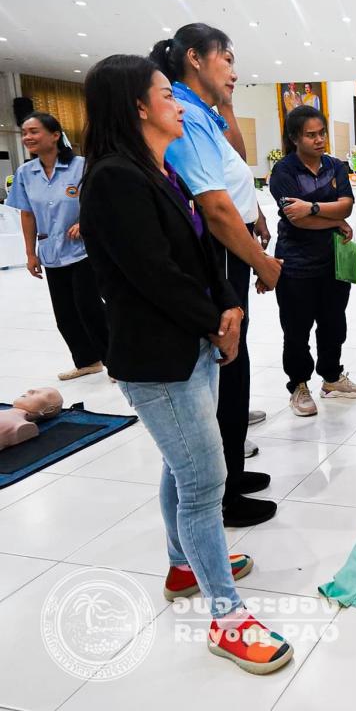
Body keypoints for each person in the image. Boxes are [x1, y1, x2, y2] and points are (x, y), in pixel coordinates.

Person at [78, 54, 292, 675]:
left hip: (190, 341)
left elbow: (200, 253)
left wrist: (228, 304)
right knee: (204, 481)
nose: (177, 103)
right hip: (157, 356)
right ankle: (228, 620)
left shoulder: (158, 167)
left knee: (186, 465)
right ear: (138, 106)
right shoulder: (113, 179)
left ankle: (183, 566)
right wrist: (214, 320)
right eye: (166, 94)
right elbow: (153, 275)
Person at [149, 23, 279, 527]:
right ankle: (221, 493)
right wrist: (262, 262)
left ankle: (232, 472)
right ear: (195, 58)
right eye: (226, 58)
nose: (234, 70)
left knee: (235, 362)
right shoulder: (184, 113)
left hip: (232, 246)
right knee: (226, 359)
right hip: (218, 250)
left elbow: (235, 171)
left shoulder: (203, 112)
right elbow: (215, 205)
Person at [268, 105, 356, 416]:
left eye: (322, 133)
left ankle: (332, 378)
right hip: (296, 263)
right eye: (311, 135)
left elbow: (347, 206)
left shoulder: (335, 166)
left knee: (334, 323)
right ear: (295, 138)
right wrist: (333, 219)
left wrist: (312, 208)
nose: (319, 139)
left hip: (334, 259)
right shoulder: (284, 171)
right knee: (296, 329)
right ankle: (299, 385)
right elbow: (296, 220)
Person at [9, 112, 109, 381]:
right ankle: (87, 361)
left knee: (90, 307)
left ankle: (116, 360)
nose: (27, 137)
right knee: (65, 314)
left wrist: (85, 222)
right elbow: (27, 213)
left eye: (34, 131)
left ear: (55, 135)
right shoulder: (25, 173)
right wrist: (30, 253)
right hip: (52, 251)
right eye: (24, 133)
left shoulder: (81, 166)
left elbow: (100, 202)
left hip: (83, 250)